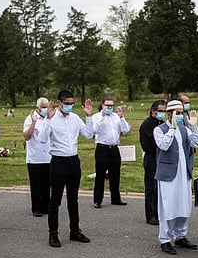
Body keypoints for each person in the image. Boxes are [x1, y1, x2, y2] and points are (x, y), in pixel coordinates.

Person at [39, 90, 93, 248]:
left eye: (72, 103)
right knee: (55, 200)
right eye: (67, 103)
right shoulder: (51, 118)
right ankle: (53, 234)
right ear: (59, 103)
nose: (69, 106)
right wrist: (48, 120)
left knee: (73, 199)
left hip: (73, 161)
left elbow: (89, 135)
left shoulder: (75, 118)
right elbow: (42, 139)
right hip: (58, 161)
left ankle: (75, 231)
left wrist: (89, 116)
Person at [154, 100, 198, 255]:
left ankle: (180, 236)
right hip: (168, 174)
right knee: (168, 207)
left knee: (183, 205)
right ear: (169, 114)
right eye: (178, 113)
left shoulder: (184, 129)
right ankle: (165, 239)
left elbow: (196, 143)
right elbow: (164, 145)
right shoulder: (159, 130)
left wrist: (193, 126)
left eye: (182, 113)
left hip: (184, 173)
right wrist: (172, 129)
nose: (181, 116)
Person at [92, 97, 131, 208]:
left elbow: (126, 129)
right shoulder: (97, 116)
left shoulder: (116, 117)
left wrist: (122, 117)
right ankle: (97, 200)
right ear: (102, 105)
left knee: (115, 174)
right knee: (100, 175)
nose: (109, 107)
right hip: (102, 148)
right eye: (107, 105)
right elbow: (95, 130)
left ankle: (116, 198)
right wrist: (103, 117)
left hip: (114, 148)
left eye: (111, 105)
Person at [139, 100, 166, 226]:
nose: (162, 113)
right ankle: (150, 215)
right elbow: (148, 144)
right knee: (151, 187)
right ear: (153, 111)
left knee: (159, 188)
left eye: (164, 111)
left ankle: (158, 212)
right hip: (151, 158)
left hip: (161, 158)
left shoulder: (162, 123)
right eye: (160, 111)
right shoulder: (147, 124)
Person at [23, 97, 51, 217]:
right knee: (36, 185)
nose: (46, 109)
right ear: (38, 108)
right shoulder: (30, 118)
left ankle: (46, 206)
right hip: (35, 157)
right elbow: (27, 136)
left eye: (47, 107)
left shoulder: (50, 118)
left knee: (47, 184)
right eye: (43, 107)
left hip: (48, 157)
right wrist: (34, 123)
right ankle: (36, 208)